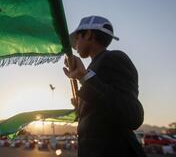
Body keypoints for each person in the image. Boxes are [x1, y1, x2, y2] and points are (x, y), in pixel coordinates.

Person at [63, 15, 146, 157]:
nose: (74, 45)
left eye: (77, 38)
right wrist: (80, 107)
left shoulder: (114, 58)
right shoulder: (93, 66)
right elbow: (102, 112)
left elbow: (132, 115)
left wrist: (84, 77)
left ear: (88, 34)